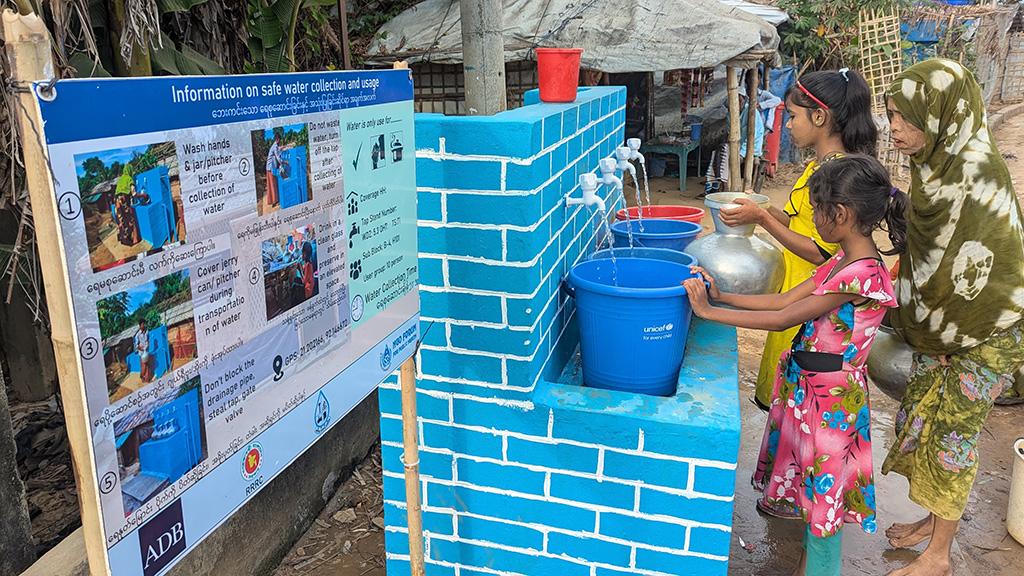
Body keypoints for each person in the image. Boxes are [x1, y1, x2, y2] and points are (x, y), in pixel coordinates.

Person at [682, 155, 907, 576]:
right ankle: (808, 566)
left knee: (824, 503)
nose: (813, 219)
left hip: (831, 407)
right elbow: (784, 299)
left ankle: (820, 569)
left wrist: (710, 314)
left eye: (816, 210)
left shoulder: (862, 274)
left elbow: (785, 318)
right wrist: (720, 296)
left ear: (839, 214)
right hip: (809, 395)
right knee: (813, 494)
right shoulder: (840, 260)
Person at [880, 59, 1024, 576]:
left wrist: (948, 334)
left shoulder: (974, 172)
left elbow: (987, 272)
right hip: (947, 326)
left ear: (940, 113)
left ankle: (938, 555)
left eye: (903, 116)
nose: (892, 128)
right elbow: (929, 258)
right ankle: (932, 521)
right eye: (890, 114)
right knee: (927, 420)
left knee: (953, 436)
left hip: (985, 329)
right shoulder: (935, 167)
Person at [718, 68, 878, 417]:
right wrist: (763, 207)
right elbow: (798, 221)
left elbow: (820, 251)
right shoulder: (816, 167)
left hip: (812, 293)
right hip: (798, 286)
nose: (787, 125)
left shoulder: (837, 176)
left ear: (820, 117)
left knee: (798, 396)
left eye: (792, 116)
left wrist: (761, 219)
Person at [114, 166, 140, 246]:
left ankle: (124, 240)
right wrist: (143, 195)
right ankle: (135, 240)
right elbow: (134, 193)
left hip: (116, 202)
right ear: (130, 171)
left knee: (121, 221)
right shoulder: (129, 178)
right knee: (131, 220)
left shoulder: (120, 179)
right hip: (124, 201)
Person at [134, 319, 154, 383]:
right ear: (140, 326)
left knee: (147, 365)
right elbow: (136, 345)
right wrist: (141, 348)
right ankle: (141, 376)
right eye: (142, 324)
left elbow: (147, 340)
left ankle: (147, 379)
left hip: (146, 351)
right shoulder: (137, 335)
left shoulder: (147, 331)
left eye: (144, 324)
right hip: (141, 353)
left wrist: (147, 345)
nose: (144, 325)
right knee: (143, 366)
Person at [266, 132, 283, 207]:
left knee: (272, 184)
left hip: (270, 168)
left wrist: (281, 148)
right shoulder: (275, 146)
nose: (279, 142)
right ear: (277, 139)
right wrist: (283, 162)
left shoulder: (274, 146)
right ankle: (274, 201)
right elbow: (277, 157)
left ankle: (274, 200)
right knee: (273, 184)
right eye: (279, 140)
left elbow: (277, 151)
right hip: (270, 168)